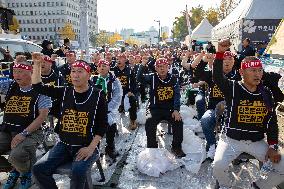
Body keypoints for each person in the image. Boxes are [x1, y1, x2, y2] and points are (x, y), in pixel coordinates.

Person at [212, 39, 284, 189]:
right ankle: (225, 186)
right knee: (218, 165)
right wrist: (219, 53)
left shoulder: (266, 93)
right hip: (230, 140)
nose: (257, 74)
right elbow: (218, 77)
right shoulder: (232, 88)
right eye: (252, 70)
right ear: (242, 72)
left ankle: (257, 186)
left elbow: (272, 122)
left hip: (256, 142)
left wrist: (273, 146)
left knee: (282, 166)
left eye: (259, 70)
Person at [31, 53, 107, 189]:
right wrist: (36, 64)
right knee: (38, 169)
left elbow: (103, 125)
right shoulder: (65, 91)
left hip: (86, 145)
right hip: (64, 144)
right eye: (73, 71)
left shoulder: (98, 95)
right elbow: (38, 86)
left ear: (88, 75)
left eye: (80, 72)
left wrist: (90, 148)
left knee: (78, 171)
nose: (75, 75)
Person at [0, 55, 51, 189]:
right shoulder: (11, 86)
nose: (16, 75)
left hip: (32, 131)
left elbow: (42, 117)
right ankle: (15, 170)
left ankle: (27, 173)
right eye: (15, 71)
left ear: (31, 72)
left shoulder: (41, 90)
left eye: (21, 71)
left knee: (17, 155)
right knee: (14, 159)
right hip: (8, 129)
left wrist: (23, 133)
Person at [137, 57, 185, 158]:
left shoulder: (174, 79)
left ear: (168, 67)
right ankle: (152, 148)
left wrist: (176, 110)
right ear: (155, 68)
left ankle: (176, 147)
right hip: (154, 108)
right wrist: (142, 65)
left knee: (178, 121)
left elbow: (177, 95)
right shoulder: (152, 77)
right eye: (159, 67)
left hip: (169, 109)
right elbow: (139, 78)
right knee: (149, 121)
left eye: (164, 66)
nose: (162, 69)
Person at [91, 59, 122, 159]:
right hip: (95, 109)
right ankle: (95, 149)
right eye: (99, 66)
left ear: (109, 67)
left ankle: (110, 147)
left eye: (104, 65)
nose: (102, 68)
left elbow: (117, 96)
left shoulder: (114, 80)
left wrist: (106, 108)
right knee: (94, 128)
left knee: (111, 126)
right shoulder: (93, 79)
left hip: (109, 110)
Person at [113, 53, 138, 130]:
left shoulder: (129, 70)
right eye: (117, 59)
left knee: (133, 100)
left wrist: (131, 91)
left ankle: (133, 120)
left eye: (120, 58)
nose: (118, 60)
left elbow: (134, 83)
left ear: (125, 60)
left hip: (127, 92)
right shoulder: (113, 70)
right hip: (115, 93)